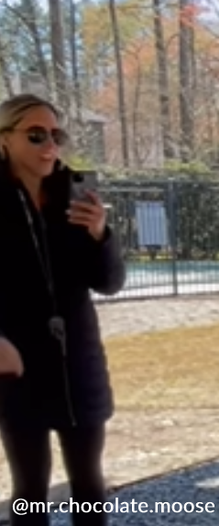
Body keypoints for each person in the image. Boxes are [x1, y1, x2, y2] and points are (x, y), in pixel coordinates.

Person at [0, 93, 127, 525]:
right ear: (5, 139)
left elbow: (109, 283)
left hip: (79, 363)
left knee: (89, 483)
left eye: (57, 135)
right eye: (35, 135)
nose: (50, 145)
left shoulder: (72, 196)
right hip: (17, 367)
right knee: (31, 488)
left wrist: (99, 234)